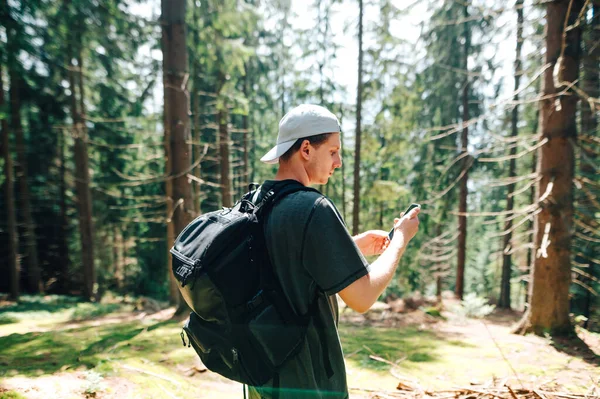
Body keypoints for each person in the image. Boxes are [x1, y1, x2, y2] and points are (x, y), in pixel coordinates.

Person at [249, 104, 420, 399]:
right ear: (305, 149)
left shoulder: (257, 201)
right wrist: (401, 239)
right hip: (308, 382)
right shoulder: (313, 208)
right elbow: (363, 297)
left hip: (261, 377)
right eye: (332, 151)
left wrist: (351, 245)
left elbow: (286, 266)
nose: (338, 162)